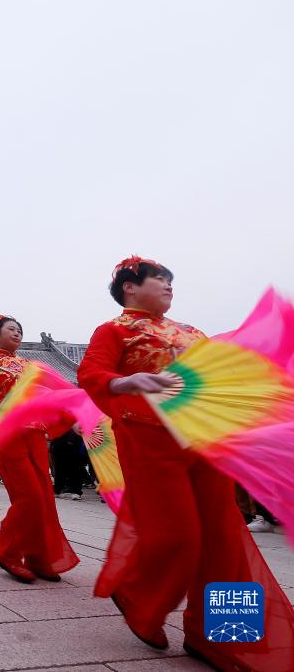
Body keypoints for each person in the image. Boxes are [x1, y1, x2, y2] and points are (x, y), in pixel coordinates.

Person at [77, 256, 294, 669]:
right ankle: (136, 593)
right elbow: (91, 373)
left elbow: (219, 377)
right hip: (147, 437)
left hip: (201, 437)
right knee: (178, 534)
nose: (168, 285)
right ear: (129, 287)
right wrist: (123, 382)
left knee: (225, 537)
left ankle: (225, 636)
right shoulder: (114, 330)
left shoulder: (192, 332)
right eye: (158, 278)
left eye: (170, 280)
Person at [0, 315, 78, 582]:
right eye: (11, 329)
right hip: (5, 431)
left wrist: (74, 418)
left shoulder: (28, 365)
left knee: (44, 495)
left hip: (35, 432)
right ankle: (9, 553)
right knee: (28, 495)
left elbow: (46, 397)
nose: (17, 333)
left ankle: (39, 558)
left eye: (19, 330)